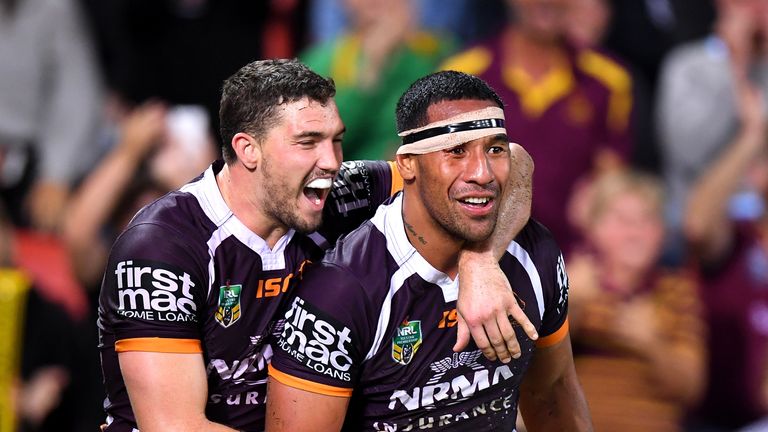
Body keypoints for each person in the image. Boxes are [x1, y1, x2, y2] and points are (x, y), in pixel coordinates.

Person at [97, 59, 537, 432]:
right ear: (248, 150)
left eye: (336, 140)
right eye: (308, 142)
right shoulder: (162, 248)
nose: (331, 161)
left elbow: (513, 161)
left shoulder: (339, 194)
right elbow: (177, 427)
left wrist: (482, 258)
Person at [266, 70, 592, 431]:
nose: (482, 173)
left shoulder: (534, 252)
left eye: (494, 149)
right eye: (456, 151)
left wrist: (480, 259)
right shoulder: (344, 290)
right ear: (407, 164)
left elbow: (552, 392)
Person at [439, 0, 634, 254]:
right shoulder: (462, 73)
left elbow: (612, 179)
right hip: (476, 252)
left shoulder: (608, 81)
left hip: (571, 257)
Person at [567, 170, 705, 432]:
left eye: (647, 219)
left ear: (663, 233)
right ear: (594, 227)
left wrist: (651, 345)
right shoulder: (570, 281)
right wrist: (570, 306)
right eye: (622, 219)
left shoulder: (676, 292)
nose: (635, 232)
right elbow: (533, 368)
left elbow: (690, 389)